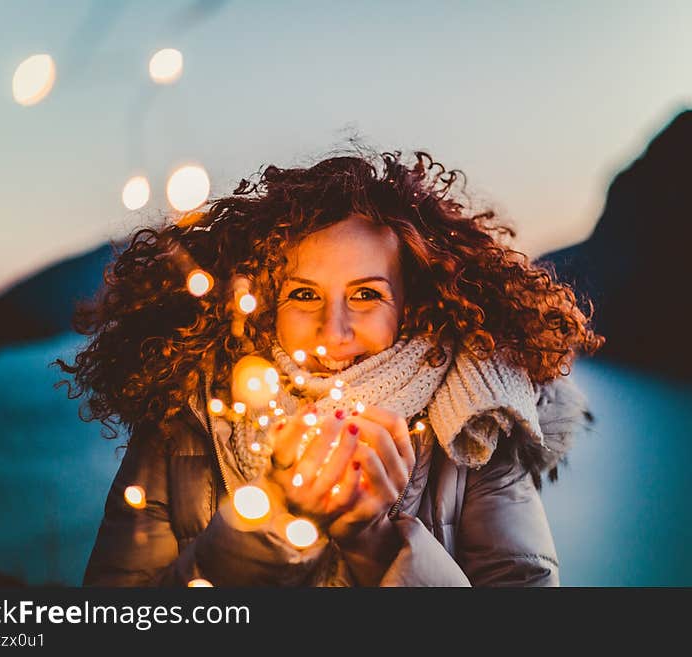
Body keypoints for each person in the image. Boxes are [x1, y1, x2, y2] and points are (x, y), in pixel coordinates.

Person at [57, 149, 603, 586]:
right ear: (269, 304)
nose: (334, 331)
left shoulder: (477, 429)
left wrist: (377, 541)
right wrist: (271, 520)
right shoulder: (185, 421)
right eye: (303, 294)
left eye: (365, 294)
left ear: (409, 306)